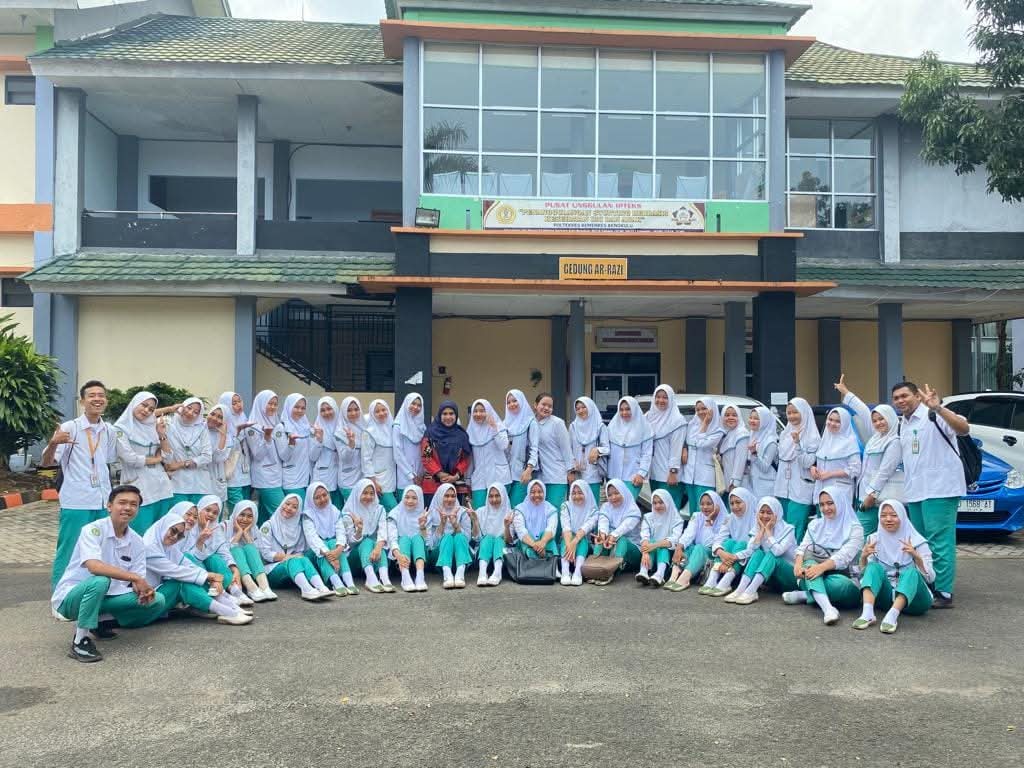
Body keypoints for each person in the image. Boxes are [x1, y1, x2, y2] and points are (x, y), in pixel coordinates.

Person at [51, 485, 167, 663]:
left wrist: (143, 590)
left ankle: (100, 622)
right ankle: (80, 641)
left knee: (157, 600)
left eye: (133, 504)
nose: (127, 508)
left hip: (108, 596)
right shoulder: (93, 530)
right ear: (109, 506)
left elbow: (137, 580)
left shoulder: (137, 541)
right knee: (100, 581)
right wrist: (135, 578)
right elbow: (94, 567)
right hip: (72, 598)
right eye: (122, 503)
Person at [892, 381, 969, 608]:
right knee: (921, 542)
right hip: (915, 490)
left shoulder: (933, 415)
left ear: (917, 396)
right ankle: (928, 585)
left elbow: (963, 428)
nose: (900, 401)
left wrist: (938, 408)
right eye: (896, 398)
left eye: (904, 395)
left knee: (940, 541)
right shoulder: (903, 424)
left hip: (940, 488)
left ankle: (944, 592)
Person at [143, 504, 253, 623]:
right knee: (182, 582)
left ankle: (229, 606)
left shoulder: (168, 545)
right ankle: (228, 611)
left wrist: (210, 578)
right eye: (173, 531)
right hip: (146, 601)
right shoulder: (149, 546)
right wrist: (209, 576)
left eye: (179, 535)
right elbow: (174, 570)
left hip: (161, 592)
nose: (175, 537)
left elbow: (186, 563)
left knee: (202, 567)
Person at [785, 488, 865, 625]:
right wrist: (798, 565)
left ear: (840, 502)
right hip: (818, 574)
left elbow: (844, 557)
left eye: (830, 503)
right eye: (822, 505)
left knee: (841, 585)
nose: (825, 508)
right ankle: (828, 609)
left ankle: (807, 594)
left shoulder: (855, 529)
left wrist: (820, 568)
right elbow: (803, 548)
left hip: (846, 581)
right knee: (809, 562)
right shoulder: (815, 525)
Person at [833, 375, 901, 536]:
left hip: (877, 499)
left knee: (859, 536)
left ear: (890, 418)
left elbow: (885, 472)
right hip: (864, 495)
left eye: (882, 419)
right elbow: (864, 412)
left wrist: (872, 495)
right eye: (875, 420)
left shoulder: (894, 441)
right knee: (868, 537)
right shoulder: (876, 438)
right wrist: (846, 392)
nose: (878, 423)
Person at [855, 500, 935, 634]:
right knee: (873, 567)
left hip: (915, 602)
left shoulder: (917, 541)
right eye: (883, 515)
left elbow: (931, 578)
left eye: (893, 515)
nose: (888, 519)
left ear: (902, 516)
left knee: (911, 573)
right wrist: (863, 557)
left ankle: (892, 616)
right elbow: (864, 575)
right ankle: (867, 613)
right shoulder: (873, 539)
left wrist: (916, 557)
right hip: (885, 600)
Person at [113, 391, 174, 534]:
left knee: (161, 534)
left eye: (151, 409)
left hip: (162, 488)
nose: (146, 410)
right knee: (139, 533)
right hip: (139, 489)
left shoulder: (153, 427)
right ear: (135, 403)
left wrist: (162, 435)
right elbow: (129, 458)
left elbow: (168, 457)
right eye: (144, 405)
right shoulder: (120, 429)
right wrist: (157, 459)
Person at [256, 494, 334, 601]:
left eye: (294, 507)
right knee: (294, 560)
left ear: (298, 511)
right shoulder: (268, 526)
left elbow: (300, 552)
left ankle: (321, 587)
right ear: (282, 504)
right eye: (287, 504)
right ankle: (307, 590)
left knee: (304, 559)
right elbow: (266, 554)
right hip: (271, 571)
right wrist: (289, 557)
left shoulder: (298, 528)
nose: (289, 508)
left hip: (293, 570)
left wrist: (293, 557)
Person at [725, 496, 798, 605]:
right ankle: (741, 589)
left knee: (771, 555)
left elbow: (777, 552)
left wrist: (768, 532)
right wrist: (760, 532)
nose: (765, 516)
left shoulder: (788, 529)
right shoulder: (758, 527)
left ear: (776, 513)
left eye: (769, 513)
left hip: (790, 578)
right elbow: (751, 550)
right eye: (762, 512)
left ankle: (751, 591)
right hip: (771, 580)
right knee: (758, 553)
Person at [184, 494, 254, 607]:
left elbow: (224, 550)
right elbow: (188, 557)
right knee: (208, 558)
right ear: (199, 509)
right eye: (207, 510)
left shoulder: (215, 528)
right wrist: (200, 540)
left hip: (210, 569)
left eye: (215, 513)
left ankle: (235, 591)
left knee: (215, 558)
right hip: (196, 569)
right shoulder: (189, 527)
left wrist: (234, 568)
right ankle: (223, 595)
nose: (211, 515)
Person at [773, 397, 820, 543]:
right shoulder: (784, 434)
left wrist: (797, 443)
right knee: (781, 528)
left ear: (804, 412)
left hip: (800, 489)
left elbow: (807, 463)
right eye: (789, 413)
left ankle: (795, 556)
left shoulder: (813, 437)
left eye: (795, 412)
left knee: (795, 530)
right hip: (782, 488)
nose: (792, 416)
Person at [300, 480, 357, 596]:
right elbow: (313, 539)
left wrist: (338, 549)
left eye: (324, 495)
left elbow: (341, 531)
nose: (322, 499)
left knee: (333, 542)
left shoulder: (334, 510)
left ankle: (349, 582)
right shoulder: (308, 515)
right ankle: (336, 582)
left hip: (333, 549)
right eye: (317, 497)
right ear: (311, 500)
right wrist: (330, 555)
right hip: (314, 552)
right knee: (325, 546)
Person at [699, 488, 759, 597]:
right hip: (729, 559)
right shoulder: (729, 518)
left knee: (742, 544)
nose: (735, 507)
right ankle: (712, 579)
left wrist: (733, 557)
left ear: (747, 501)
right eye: (732, 503)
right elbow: (718, 539)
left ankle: (726, 582)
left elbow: (753, 548)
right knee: (728, 542)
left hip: (747, 560)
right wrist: (721, 552)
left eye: (738, 502)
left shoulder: (756, 519)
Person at [664, 490, 725, 592]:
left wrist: (710, 520)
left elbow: (715, 542)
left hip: (712, 554)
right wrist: (679, 547)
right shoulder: (697, 516)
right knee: (686, 546)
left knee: (699, 547)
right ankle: (675, 574)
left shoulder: (724, 519)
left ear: (717, 504)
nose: (705, 507)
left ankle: (685, 578)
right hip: (697, 551)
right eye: (702, 504)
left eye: (709, 504)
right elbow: (688, 534)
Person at [340, 478, 393, 593]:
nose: (368, 497)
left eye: (371, 493)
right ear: (357, 493)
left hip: (375, 555)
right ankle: (371, 578)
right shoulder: (348, 513)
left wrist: (378, 548)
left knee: (379, 544)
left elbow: (383, 531)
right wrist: (359, 530)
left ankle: (384, 578)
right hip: (354, 558)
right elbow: (349, 543)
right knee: (367, 541)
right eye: (364, 493)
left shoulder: (379, 509)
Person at [223, 500, 277, 602]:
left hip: (252, 572)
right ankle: (251, 588)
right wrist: (239, 532)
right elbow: (224, 552)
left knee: (250, 548)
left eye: (249, 516)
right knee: (236, 550)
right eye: (241, 515)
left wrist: (246, 534)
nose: (245, 519)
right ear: (236, 513)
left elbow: (258, 554)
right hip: (232, 570)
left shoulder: (254, 529)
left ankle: (264, 586)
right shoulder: (224, 526)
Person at [592, 478, 643, 584]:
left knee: (621, 539)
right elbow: (603, 521)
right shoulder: (606, 507)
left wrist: (613, 536)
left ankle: (610, 572)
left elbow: (625, 527)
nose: (613, 497)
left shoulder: (633, 509)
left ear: (623, 491)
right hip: (611, 547)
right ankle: (595, 570)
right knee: (601, 539)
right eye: (610, 495)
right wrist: (603, 534)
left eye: (616, 493)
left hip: (632, 552)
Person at [245, 389, 284, 525]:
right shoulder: (252, 427)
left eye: (275, 404)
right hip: (265, 478)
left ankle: (260, 536)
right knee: (280, 513)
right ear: (261, 404)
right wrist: (267, 438)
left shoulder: (276, 424)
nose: (273, 407)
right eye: (269, 404)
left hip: (276, 475)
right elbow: (258, 455)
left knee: (263, 516)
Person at [429, 482, 479, 589]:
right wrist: (442, 524)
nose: (450, 499)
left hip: (461, 558)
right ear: (440, 496)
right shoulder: (432, 513)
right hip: (439, 559)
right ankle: (447, 574)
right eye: (446, 496)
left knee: (459, 537)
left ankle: (460, 574)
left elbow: (467, 540)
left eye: (453, 496)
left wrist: (456, 525)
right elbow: (431, 545)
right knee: (447, 537)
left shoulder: (462, 511)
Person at [164, 397, 213, 504]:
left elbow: (207, 456)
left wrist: (182, 464)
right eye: (189, 408)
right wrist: (169, 409)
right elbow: (147, 417)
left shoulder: (202, 428)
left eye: (196, 412)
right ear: (182, 406)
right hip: (176, 484)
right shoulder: (168, 424)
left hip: (200, 485)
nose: (190, 413)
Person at [645, 385, 686, 510]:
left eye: (665, 397)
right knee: (657, 510)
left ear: (671, 399)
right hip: (653, 474)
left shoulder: (677, 420)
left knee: (670, 509)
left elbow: (677, 448)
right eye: (658, 397)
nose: (660, 400)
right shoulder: (648, 417)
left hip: (669, 475)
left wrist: (673, 471)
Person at [421, 400, 471, 502]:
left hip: (456, 483)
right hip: (433, 483)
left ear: (456, 415)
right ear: (440, 415)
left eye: (451, 413)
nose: (448, 417)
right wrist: (439, 473)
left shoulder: (462, 435)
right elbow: (426, 457)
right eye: (445, 414)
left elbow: (465, 459)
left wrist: (456, 476)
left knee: (455, 511)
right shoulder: (430, 433)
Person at [681, 397, 724, 516]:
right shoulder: (692, 425)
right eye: (698, 409)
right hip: (689, 475)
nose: (700, 412)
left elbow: (700, 443)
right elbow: (686, 441)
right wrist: (685, 448)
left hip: (705, 477)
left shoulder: (718, 430)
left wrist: (705, 424)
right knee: (693, 511)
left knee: (704, 511)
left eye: (704, 408)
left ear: (711, 409)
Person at [386, 484, 433, 592]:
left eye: (414, 498)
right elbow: (392, 538)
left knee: (417, 538)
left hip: (421, 559)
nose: (410, 501)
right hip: (399, 558)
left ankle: (420, 577)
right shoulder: (395, 513)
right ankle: (405, 576)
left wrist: (422, 527)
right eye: (407, 497)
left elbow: (428, 544)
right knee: (404, 538)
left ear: (420, 499)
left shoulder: (425, 516)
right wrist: (398, 555)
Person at [811, 407, 862, 507]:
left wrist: (830, 474)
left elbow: (855, 469)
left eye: (838, 421)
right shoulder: (825, 439)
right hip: (821, 491)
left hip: (839, 494)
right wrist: (813, 468)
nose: (832, 423)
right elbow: (822, 460)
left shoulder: (850, 442)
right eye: (830, 419)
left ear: (845, 423)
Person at [606, 395, 654, 501]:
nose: (624, 413)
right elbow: (605, 447)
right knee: (614, 505)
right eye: (621, 410)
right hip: (613, 475)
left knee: (628, 504)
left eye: (628, 409)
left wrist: (641, 474)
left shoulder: (645, 428)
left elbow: (647, 453)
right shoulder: (612, 427)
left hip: (633, 476)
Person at [467, 399, 512, 509]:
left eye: (482, 411)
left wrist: (494, 428)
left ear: (488, 411)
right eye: (475, 411)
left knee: (500, 511)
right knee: (479, 510)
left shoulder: (499, 426)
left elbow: (504, 445)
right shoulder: (469, 431)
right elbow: (470, 459)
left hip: (499, 476)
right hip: (479, 478)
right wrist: (467, 479)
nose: (478, 414)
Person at [533, 392, 574, 509]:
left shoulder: (557, 423)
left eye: (550, 406)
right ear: (535, 405)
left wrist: (570, 471)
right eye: (543, 404)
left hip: (557, 476)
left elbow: (566, 449)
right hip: (538, 477)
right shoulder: (530, 423)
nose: (546, 408)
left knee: (555, 509)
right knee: (541, 510)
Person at [636, 488, 684, 588]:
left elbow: (675, 540)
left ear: (668, 502)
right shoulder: (648, 517)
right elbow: (644, 535)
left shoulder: (677, 520)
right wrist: (645, 552)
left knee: (663, 545)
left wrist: (655, 545)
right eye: (655, 503)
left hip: (668, 555)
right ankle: (643, 572)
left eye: (661, 502)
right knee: (651, 541)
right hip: (650, 553)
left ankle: (660, 575)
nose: (657, 506)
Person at [559, 480, 599, 586]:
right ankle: (565, 572)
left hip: (585, 547)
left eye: (580, 493)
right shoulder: (565, 506)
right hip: (567, 544)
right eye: (574, 493)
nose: (576, 496)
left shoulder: (593, 510)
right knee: (567, 536)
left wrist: (574, 543)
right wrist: (570, 545)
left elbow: (585, 528)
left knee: (582, 538)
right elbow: (566, 528)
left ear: (586, 493)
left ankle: (578, 572)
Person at [569, 396, 608, 502]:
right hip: (577, 472)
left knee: (592, 503)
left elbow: (607, 449)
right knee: (577, 503)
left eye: (584, 407)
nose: (581, 411)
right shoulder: (573, 427)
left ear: (590, 407)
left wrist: (597, 450)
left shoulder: (600, 427)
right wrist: (572, 466)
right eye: (577, 408)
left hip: (593, 473)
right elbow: (569, 449)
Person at [218, 391, 253, 509]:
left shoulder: (243, 418)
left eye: (239, 401)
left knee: (247, 509)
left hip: (246, 474)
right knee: (238, 510)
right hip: (232, 475)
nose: (239, 405)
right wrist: (237, 433)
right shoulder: (222, 424)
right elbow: (224, 451)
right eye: (234, 403)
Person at [504, 389, 539, 506]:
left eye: (515, 401)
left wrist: (529, 469)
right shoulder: (504, 424)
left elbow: (534, 448)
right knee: (505, 508)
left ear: (521, 401)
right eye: (508, 402)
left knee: (517, 507)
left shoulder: (530, 422)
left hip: (522, 473)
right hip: (505, 474)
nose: (512, 404)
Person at [512, 478, 559, 561]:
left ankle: (552, 564)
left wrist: (542, 542)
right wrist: (535, 546)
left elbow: (551, 529)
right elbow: (521, 531)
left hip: (545, 543)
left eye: (540, 492)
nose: (536, 495)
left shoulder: (550, 509)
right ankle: (541, 561)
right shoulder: (520, 509)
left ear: (544, 492)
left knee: (549, 539)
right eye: (533, 492)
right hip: (527, 542)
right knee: (526, 539)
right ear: (528, 493)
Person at [474, 482, 510, 587]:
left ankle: (497, 572)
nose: (494, 499)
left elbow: (509, 541)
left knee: (499, 539)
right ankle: (482, 573)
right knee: (488, 537)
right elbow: (476, 538)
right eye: (491, 496)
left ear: (503, 495)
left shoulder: (510, 513)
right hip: (482, 555)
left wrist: (507, 527)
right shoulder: (480, 512)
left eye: (497, 496)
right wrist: (475, 521)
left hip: (503, 556)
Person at [278, 393, 313, 502]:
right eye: (296, 407)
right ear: (289, 406)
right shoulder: (281, 427)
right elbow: (283, 456)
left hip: (307, 479)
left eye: (303, 408)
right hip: (292, 481)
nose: (300, 411)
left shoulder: (306, 427)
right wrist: (291, 444)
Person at [310, 396, 342, 508]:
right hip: (324, 476)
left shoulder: (342, 427)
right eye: (322, 410)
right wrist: (319, 441)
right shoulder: (315, 430)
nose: (326, 412)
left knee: (338, 509)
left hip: (341, 476)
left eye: (329, 409)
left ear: (335, 408)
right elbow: (312, 457)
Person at [393, 393, 426, 496]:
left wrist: (422, 473)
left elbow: (425, 451)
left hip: (420, 477)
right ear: (406, 404)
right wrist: (411, 475)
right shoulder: (398, 426)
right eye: (413, 403)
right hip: (405, 477)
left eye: (419, 405)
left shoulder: (422, 428)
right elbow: (398, 454)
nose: (416, 407)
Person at [334, 396, 366, 503]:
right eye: (349, 410)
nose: (353, 413)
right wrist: (351, 443)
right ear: (343, 411)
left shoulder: (364, 428)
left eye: (356, 409)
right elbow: (345, 458)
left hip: (363, 478)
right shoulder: (340, 432)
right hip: (348, 480)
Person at [743, 406, 779, 499]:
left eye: (756, 418)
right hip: (752, 484)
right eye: (751, 417)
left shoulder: (771, 441)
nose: (752, 421)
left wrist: (754, 453)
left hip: (766, 487)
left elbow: (765, 467)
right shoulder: (752, 435)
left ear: (764, 420)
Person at [203, 403, 233, 502]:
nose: (214, 418)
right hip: (199, 479)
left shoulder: (227, 437)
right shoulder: (199, 429)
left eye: (220, 417)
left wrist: (223, 435)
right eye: (212, 414)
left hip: (216, 478)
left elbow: (218, 458)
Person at [719, 404, 751, 494]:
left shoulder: (742, 434)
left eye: (734, 415)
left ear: (739, 417)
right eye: (727, 415)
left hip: (737, 485)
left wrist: (735, 483)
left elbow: (740, 461)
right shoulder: (726, 434)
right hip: (726, 483)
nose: (730, 418)